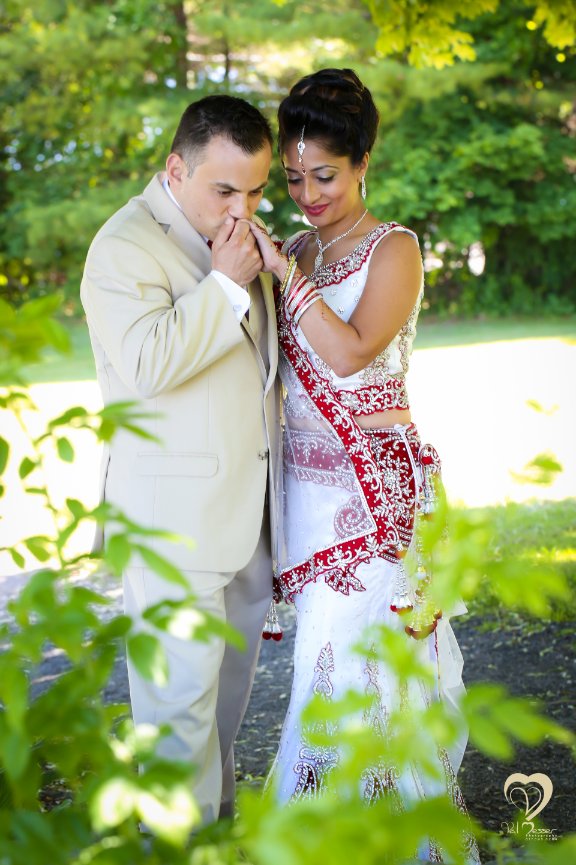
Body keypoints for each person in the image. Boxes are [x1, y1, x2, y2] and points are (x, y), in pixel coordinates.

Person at [248, 69, 481, 862]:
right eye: (293, 178)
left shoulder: (396, 249)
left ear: (361, 163)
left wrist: (286, 275)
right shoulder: (301, 247)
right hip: (304, 502)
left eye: (324, 176)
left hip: (373, 501)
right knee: (319, 673)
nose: (308, 195)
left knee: (365, 679)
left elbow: (347, 356)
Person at [80, 95, 280, 826]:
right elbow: (146, 363)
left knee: (220, 719)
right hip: (170, 528)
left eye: (256, 189)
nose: (243, 206)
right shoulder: (124, 245)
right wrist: (227, 282)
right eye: (225, 189)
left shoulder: (240, 238)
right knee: (176, 726)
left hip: (243, 522)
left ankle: (212, 838)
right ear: (175, 167)